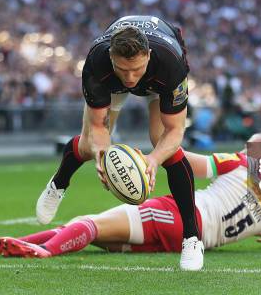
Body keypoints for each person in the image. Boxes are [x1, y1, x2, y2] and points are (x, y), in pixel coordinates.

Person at [0, 133, 261, 258]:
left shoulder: (241, 163)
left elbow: (192, 164)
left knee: (87, 223)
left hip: (185, 216)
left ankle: (42, 252)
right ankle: (0, 243)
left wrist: (148, 154)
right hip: (187, 242)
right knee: (95, 232)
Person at [35, 16, 202, 270]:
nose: (131, 78)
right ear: (112, 57)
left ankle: (192, 237)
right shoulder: (97, 63)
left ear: (147, 55)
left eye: (136, 69)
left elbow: (175, 129)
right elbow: (99, 126)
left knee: (164, 147)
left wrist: (153, 160)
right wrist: (103, 156)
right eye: (123, 70)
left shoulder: (171, 64)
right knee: (88, 146)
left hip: (159, 82)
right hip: (110, 84)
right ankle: (59, 183)